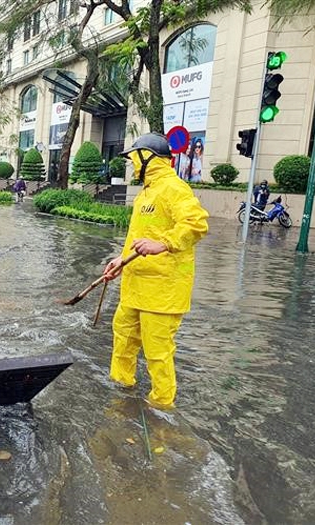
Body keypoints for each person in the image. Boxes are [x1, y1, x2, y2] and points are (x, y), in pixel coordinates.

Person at [103, 132, 209, 411]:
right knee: (123, 338)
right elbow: (140, 237)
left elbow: (197, 224)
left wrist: (163, 244)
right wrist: (120, 261)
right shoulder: (146, 193)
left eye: (134, 157)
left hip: (163, 293)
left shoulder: (175, 188)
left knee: (157, 352)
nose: (132, 164)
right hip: (134, 286)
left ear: (147, 156)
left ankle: (161, 408)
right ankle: (120, 391)